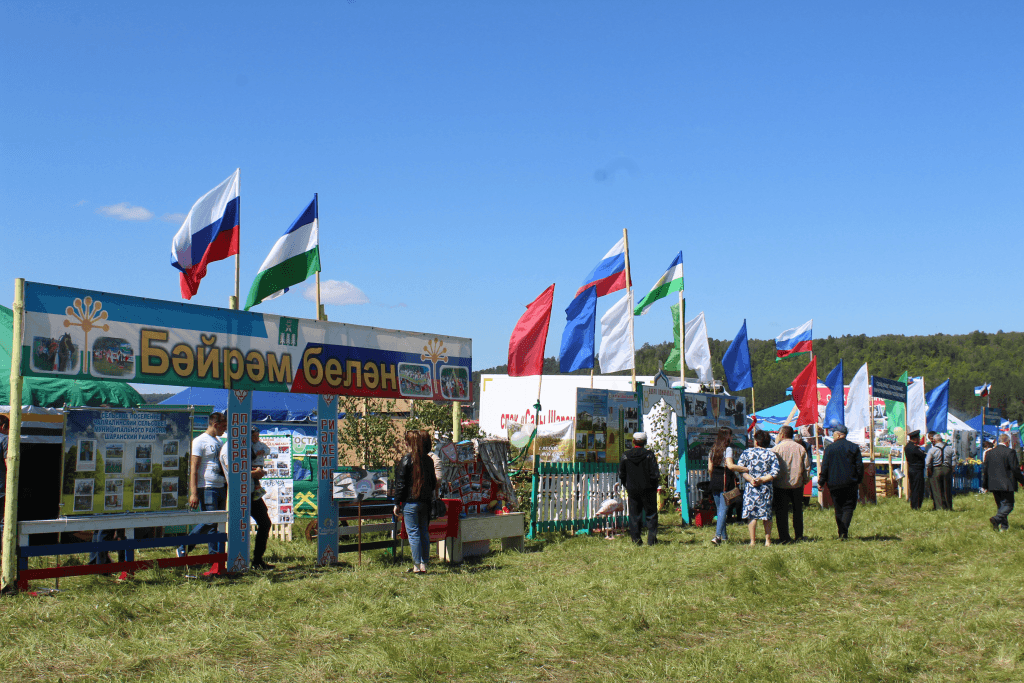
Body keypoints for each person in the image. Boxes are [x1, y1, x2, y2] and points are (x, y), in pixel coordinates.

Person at [177, 412, 227, 573]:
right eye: (223, 426)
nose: (225, 429)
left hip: (220, 486)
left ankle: (215, 559)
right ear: (215, 424)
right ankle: (184, 546)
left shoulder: (219, 441)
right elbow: (193, 469)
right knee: (209, 520)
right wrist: (193, 493)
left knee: (217, 524)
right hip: (206, 486)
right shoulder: (199, 441)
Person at [394, 430, 437, 574]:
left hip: (410, 503)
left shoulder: (406, 460)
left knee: (413, 533)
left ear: (407, 443)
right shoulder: (428, 460)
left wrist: (396, 503)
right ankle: (424, 563)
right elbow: (433, 482)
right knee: (424, 532)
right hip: (425, 502)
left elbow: (400, 484)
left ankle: (417, 565)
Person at [818, 423, 864, 539]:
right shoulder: (854, 447)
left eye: (833, 433)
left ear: (838, 435)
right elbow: (859, 466)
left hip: (834, 483)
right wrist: (858, 480)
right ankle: (844, 531)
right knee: (848, 507)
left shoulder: (829, 449)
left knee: (838, 508)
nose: (832, 436)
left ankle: (842, 531)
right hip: (850, 482)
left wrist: (821, 482)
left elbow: (825, 467)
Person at [706, 426, 748, 546]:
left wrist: (712, 478)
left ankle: (724, 537)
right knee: (723, 510)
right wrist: (744, 468)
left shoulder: (712, 449)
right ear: (726, 436)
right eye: (730, 435)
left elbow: (709, 468)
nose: (731, 437)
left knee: (720, 510)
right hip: (725, 481)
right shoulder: (727, 449)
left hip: (715, 481)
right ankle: (717, 536)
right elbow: (730, 465)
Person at [737, 429, 780, 546]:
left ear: (756, 441)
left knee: (751, 515)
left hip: (751, 488)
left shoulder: (747, 453)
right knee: (767, 514)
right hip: (766, 487)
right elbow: (775, 472)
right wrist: (762, 479)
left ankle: (752, 541)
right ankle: (768, 540)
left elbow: (741, 469)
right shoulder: (771, 454)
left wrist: (751, 479)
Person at [618, 431, 660, 546]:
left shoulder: (626, 455)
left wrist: (626, 485)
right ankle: (651, 540)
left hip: (632, 489)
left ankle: (636, 540)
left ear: (633, 441)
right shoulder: (649, 455)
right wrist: (654, 485)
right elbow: (655, 474)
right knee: (651, 514)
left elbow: (621, 473)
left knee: (634, 514)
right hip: (648, 489)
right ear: (645, 442)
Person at [771, 425, 811, 543]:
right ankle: (799, 535)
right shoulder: (800, 448)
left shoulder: (775, 449)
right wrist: (805, 480)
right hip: (797, 485)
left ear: (782, 434)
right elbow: (807, 467)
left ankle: (784, 537)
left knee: (781, 512)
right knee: (797, 511)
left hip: (779, 485)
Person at [982, 434, 1024, 531]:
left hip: (993, 484)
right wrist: (1022, 481)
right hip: (1007, 483)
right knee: (1009, 505)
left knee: (1000, 506)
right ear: (1007, 441)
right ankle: (996, 519)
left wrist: (985, 485)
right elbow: (1015, 469)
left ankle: (1003, 527)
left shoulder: (989, 453)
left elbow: (986, 470)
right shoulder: (1010, 452)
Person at [248, 427, 275, 570]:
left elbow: (266, 450)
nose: (256, 438)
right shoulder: (241, 446)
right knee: (213, 525)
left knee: (265, 522)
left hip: (252, 488)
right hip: (238, 491)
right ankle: (185, 547)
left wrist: (257, 473)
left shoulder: (258, 445)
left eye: (257, 435)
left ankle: (257, 561)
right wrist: (253, 473)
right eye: (254, 435)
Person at [925, 431, 953, 511]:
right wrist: (952, 469)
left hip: (936, 469)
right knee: (947, 488)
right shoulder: (949, 448)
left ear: (935, 440)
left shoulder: (932, 450)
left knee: (936, 489)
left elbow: (928, 462)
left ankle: (939, 507)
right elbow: (954, 460)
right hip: (947, 469)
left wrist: (929, 470)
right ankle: (948, 506)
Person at [904, 430, 928, 510]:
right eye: (918, 438)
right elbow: (922, 455)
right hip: (917, 470)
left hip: (911, 469)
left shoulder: (907, 446)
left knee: (913, 487)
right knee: (918, 488)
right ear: (915, 439)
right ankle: (916, 505)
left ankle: (914, 505)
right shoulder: (914, 447)